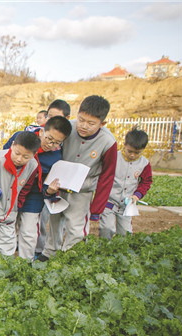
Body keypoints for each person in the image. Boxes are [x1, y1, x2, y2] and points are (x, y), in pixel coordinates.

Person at [39, 95, 118, 260]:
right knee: (55, 221)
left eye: (91, 123)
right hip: (58, 185)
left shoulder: (108, 141)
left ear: (102, 124)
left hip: (82, 190)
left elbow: (107, 176)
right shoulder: (68, 128)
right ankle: (49, 252)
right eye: (81, 120)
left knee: (76, 226)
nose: (83, 126)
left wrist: (97, 208)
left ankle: (71, 257)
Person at [5, 116, 72, 260]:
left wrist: (49, 191)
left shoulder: (56, 156)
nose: (51, 144)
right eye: (49, 139)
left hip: (34, 195)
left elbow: (47, 181)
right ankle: (5, 262)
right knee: (8, 228)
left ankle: (26, 263)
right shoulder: (21, 138)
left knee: (29, 231)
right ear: (42, 131)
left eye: (57, 142)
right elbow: (2, 158)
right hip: (12, 191)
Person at [0, 132, 41, 267]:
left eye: (25, 157)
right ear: (12, 145)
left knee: (8, 247)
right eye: (17, 153)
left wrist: (18, 205)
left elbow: (25, 189)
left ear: (34, 155)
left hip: (10, 215)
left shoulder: (33, 166)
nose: (19, 159)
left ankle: (5, 273)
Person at [99, 128, 152, 240]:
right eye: (129, 151)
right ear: (124, 144)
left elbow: (146, 182)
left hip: (127, 204)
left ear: (143, 149)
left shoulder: (144, 164)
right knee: (107, 228)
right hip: (109, 201)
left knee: (125, 233)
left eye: (137, 153)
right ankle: (103, 247)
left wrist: (137, 195)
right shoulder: (113, 157)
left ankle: (121, 248)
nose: (132, 155)